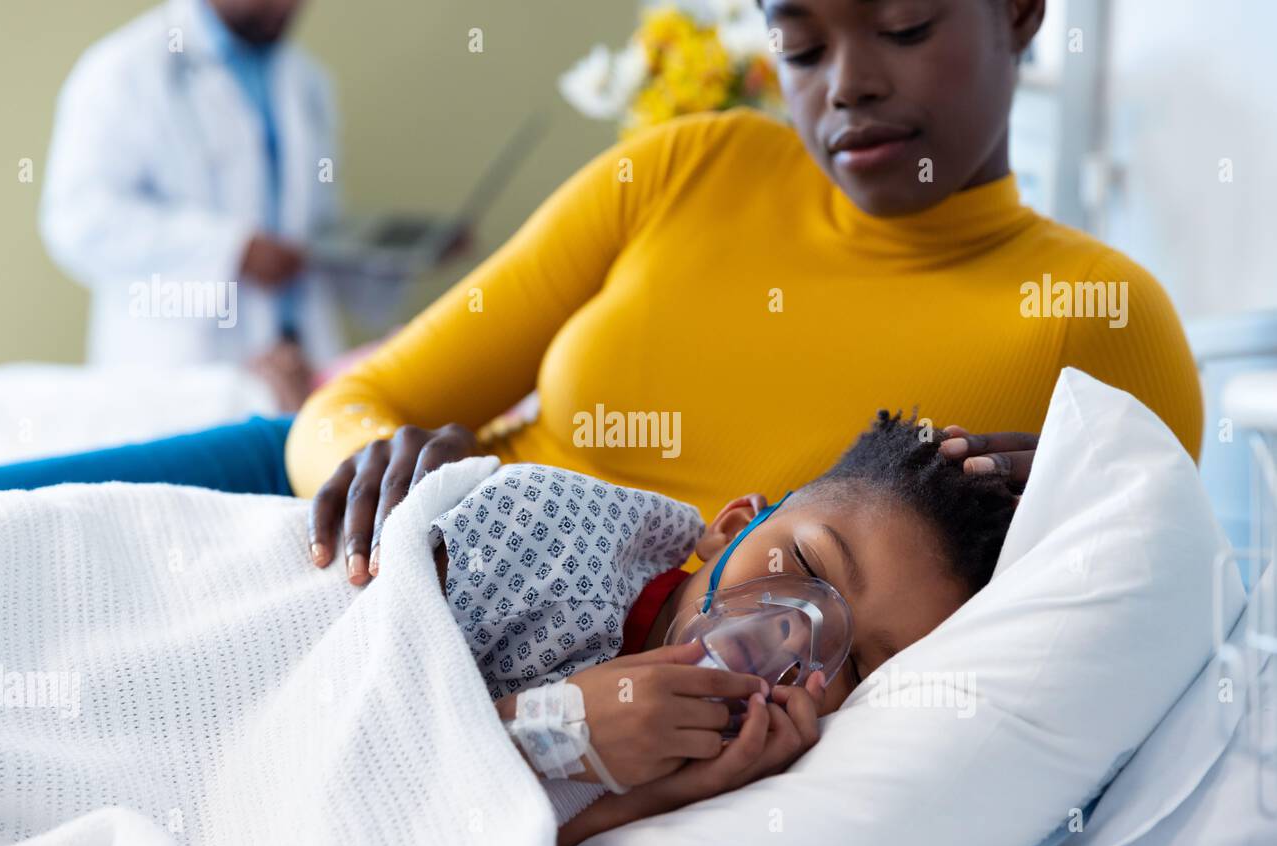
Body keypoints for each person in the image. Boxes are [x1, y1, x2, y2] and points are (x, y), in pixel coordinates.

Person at [288, 0, 1203, 589]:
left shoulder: (1101, 317)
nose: (848, 85)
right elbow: (351, 406)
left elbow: (1139, 621)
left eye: (905, 27)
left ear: (1019, 11)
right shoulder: (690, 165)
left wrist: (1064, 546)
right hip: (381, 568)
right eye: (801, 47)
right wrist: (386, 479)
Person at [424, 412, 1016, 846]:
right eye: (806, 567)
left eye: (856, 666)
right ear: (730, 526)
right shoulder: (547, 541)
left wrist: (662, 798)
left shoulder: (762, 787)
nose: (795, 633)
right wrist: (544, 731)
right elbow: (357, 726)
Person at [38, 0, 406, 409]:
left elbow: (316, 225)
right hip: (181, 373)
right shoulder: (123, 70)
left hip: (301, 368)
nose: (287, 8)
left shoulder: (305, 80)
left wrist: (396, 254)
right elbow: (79, 220)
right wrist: (233, 248)